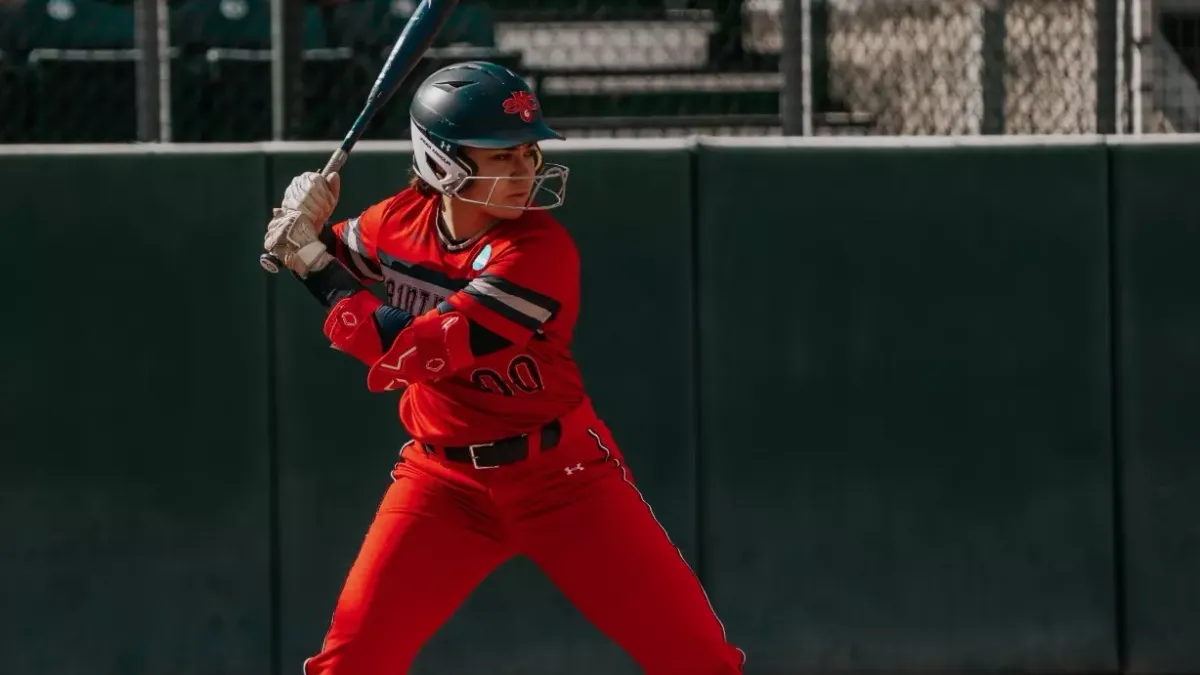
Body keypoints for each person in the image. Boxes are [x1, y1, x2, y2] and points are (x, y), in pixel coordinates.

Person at [262, 60, 746, 675]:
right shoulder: (394, 224)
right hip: (442, 484)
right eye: (500, 156)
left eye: (526, 153)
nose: (524, 172)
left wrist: (310, 261)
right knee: (352, 663)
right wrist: (303, 223)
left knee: (699, 660)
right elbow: (335, 264)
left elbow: (415, 350)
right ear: (443, 163)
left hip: (564, 478)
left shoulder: (539, 253)